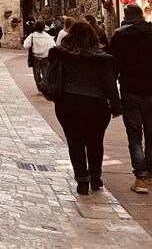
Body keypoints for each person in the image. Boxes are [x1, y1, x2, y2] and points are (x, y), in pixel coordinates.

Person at [49, 23, 122, 195]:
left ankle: (82, 180)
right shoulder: (102, 58)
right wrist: (116, 106)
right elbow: (110, 85)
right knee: (95, 141)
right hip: (96, 105)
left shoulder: (62, 55)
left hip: (69, 103)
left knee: (75, 142)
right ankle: (95, 177)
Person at [108, 3, 152, 194]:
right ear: (142, 16)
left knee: (134, 135)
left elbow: (113, 66)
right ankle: (150, 171)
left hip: (130, 90)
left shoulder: (120, 37)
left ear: (125, 17)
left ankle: (140, 177)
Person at [24, 20, 55, 90]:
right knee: (45, 72)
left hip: (35, 56)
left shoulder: (32, 36)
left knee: (36, 73)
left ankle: (39, 86)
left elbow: (26, 45)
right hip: (45, 56)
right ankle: (44, 85)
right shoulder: (48, 36)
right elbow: (53, 46)